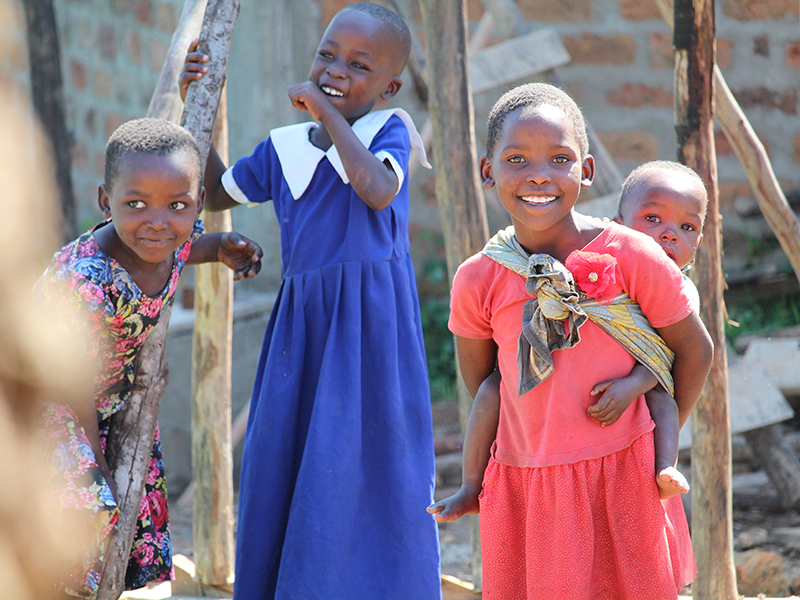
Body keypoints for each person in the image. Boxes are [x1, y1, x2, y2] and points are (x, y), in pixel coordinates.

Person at [179, 3, 441, 599]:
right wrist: (201, 95)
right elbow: (218, 191)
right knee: (295, 455)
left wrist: (325, 109)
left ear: (390, 86)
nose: (336, 69)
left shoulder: (388, 132)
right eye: (327, 54)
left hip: (373, 331)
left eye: (358, 64)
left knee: (371, 458)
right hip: (305, 327)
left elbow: (375, 190)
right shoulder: (284, 147)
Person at [429, 83, 713, 598]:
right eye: (517, 158)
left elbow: (694, 351)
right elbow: (485, 384)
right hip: (529, 482)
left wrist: (652, 438)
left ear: (584, 170)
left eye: (559, 159)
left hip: (622, 473)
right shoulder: (478, 279)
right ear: (487, 172)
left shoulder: (632, 255)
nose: (539, 174)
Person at [35, 117, 263, 598]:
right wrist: (98, 466)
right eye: (135, 204)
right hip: (53, 405)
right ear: (105, 202)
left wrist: (219, 248)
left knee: (126, 526)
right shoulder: (88, 283)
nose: (158, 222)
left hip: (108, 402)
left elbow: (180, 249)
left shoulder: (166, 239)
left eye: (177, 206)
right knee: (87, 514)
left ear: (197, 206)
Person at [585, 160, 708, 498]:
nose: (670, 233)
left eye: (687, 227)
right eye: (653, 219)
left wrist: (634, 385)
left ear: (698, 242)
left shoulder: (681, 291)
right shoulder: (600, 270)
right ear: (617, 227)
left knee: (664, 402)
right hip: (585, 396)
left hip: (643, 383)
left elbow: (665, 350)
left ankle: (665, 465)